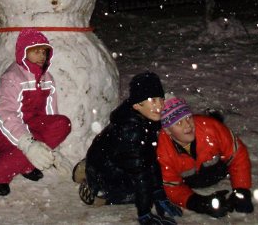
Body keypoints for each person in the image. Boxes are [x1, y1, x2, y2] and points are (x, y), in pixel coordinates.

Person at [73, 72, 182, 225]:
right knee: (134, 192)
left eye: (160, 99)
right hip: (106, 169)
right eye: (152, 100)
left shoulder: (146, 119)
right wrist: (145, 214)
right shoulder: (131, 131)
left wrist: (159, 194)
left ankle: (87, 168)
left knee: (147, 183)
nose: (159, 105)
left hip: (111, 159)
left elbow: (150, 159)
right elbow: (141, 172)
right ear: (137, 105)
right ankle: (96, 190)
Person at [0, 28, 73, 196]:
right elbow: (6, 114)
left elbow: (50, 115)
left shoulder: (47, 79)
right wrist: (28, 144)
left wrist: (53, 151)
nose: (41, 56)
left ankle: (26, 163)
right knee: (27, 144)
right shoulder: (12, 78)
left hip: (27, 125)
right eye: (35, 51)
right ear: (23, 52)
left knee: (62, 124)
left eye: (44, 52)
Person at [157, 97, 254, 218]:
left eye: (188, 118)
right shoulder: (162, 151)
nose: (188, 125)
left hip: (218, 170)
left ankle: (215, 118)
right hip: (190, 182)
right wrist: (200, 204)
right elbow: (171, 186)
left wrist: (241, 190)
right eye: (179, 123)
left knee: (219, 132)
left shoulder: (211, 128)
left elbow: (237, 154)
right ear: (168, 130)